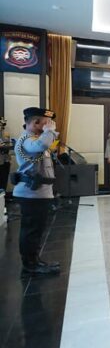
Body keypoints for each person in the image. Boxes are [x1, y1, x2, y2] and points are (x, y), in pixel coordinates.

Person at [13, 107, 61, 276]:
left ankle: (35, 260)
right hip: (31, 193)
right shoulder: (27, 139)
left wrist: (49, 133)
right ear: (35, 123)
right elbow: (41, 145)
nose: (49, 126)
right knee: (31, 230)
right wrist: (49, 132)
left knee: (37, 230)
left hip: (39, 193)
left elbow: (45, 148)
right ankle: (30, 265)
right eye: (46, 123)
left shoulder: (35, 138)